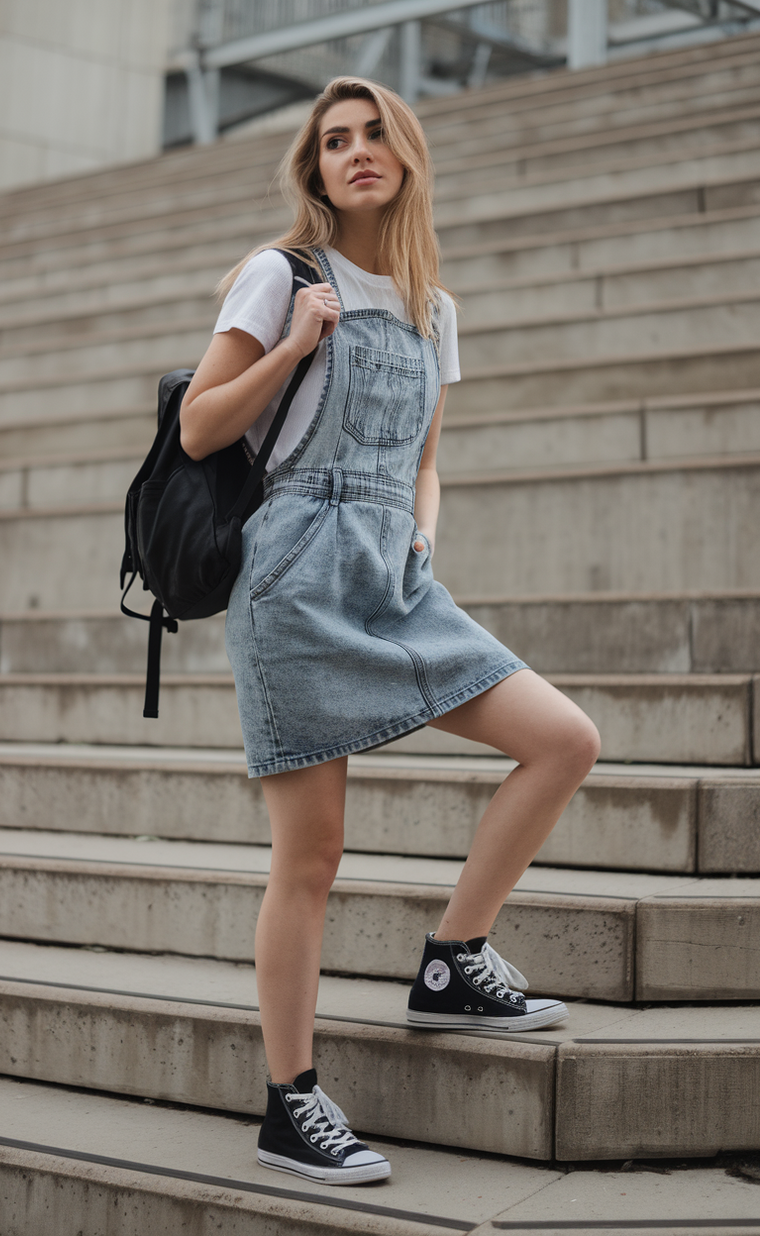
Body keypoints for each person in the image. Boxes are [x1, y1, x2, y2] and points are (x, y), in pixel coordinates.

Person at [180, 76, 601, 1186]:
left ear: (405, 153)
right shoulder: (283, 275)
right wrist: (290, 345)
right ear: (313, 169)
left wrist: (423, 538)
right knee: (310, 859)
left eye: (373, 135)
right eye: (333, 141)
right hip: (295, 575)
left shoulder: (431, 305)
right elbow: (197, 427)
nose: (355, 152)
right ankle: (290, 1102)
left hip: (393, 572)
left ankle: (453, 958)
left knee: (562, 739)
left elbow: (422, 457)